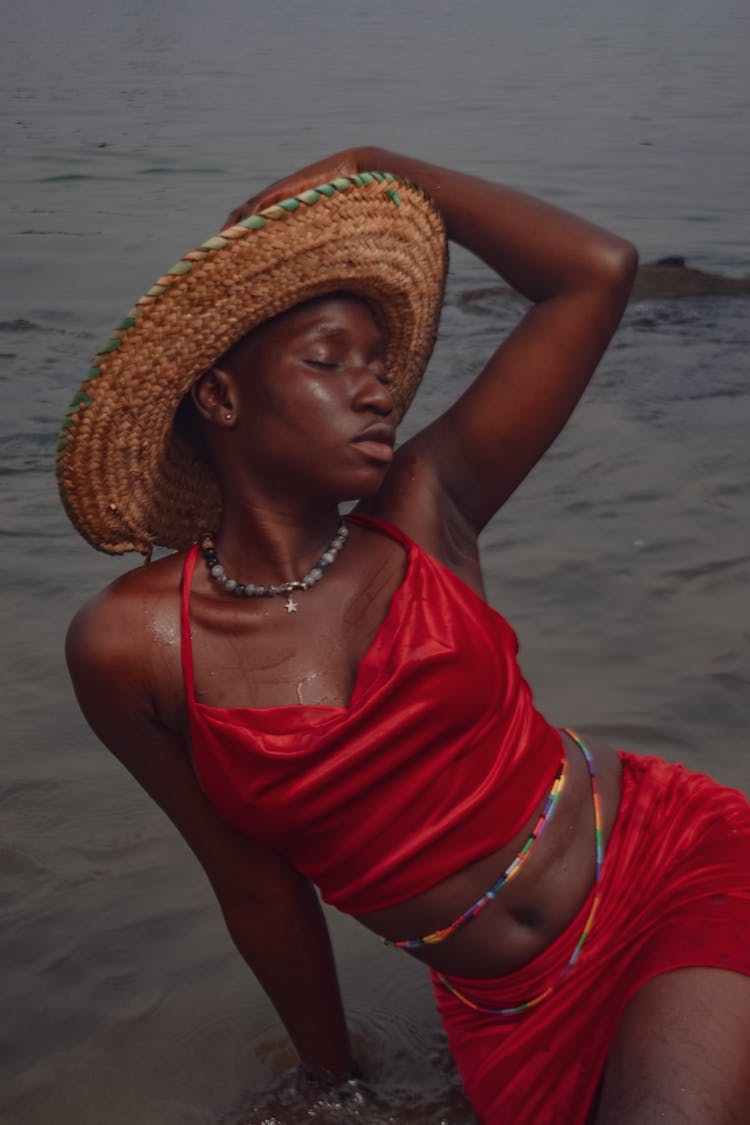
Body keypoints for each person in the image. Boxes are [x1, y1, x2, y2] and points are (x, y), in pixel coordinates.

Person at [59, 147, 750, 1124]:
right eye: (328, 361)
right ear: (219, 398)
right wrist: (332, 1080)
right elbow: (256, 891)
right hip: (505, 1008)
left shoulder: (426, 508)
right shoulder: (129, 644)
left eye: (379, 366)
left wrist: (378, 167)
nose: (376, 389)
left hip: (667, 865)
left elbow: (595, 272)